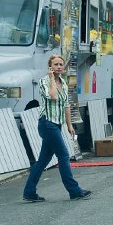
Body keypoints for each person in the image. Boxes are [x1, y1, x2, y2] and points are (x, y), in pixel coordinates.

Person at [23, 55, 92, 202]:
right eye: (56, 64)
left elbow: (66, 105)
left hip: (57, 125)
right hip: (47, 123)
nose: (59, 67)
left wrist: (69, 125)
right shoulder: (44, 82)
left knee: (42, 161)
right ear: (50, 66)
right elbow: (53, 96)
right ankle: (74, 191)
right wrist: (50, 78)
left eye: (61, 64)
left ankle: (29, 192)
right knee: (64, 155)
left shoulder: (64, 83)